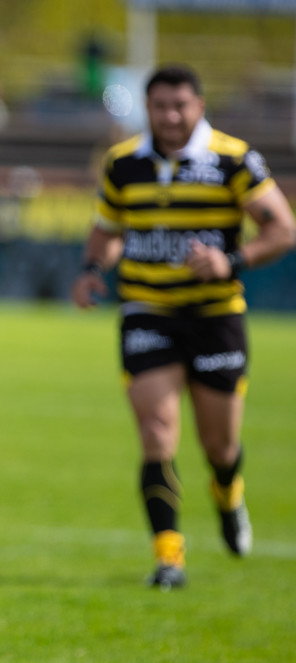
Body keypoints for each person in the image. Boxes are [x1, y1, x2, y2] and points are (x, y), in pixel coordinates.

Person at [70, 64, 295, 589]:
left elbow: (282, 230)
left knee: (219, 446)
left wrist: (230, 262)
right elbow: (105, 229)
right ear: (146, 109)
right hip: (147, 312)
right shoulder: (123, 163)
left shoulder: (234, 160)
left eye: (181, 106)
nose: (170, 116)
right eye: (159, 106)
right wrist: (90, 271)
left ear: (199, 106)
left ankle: (228, 491)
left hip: (215, 317)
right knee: (157, 433)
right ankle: (169, 558)